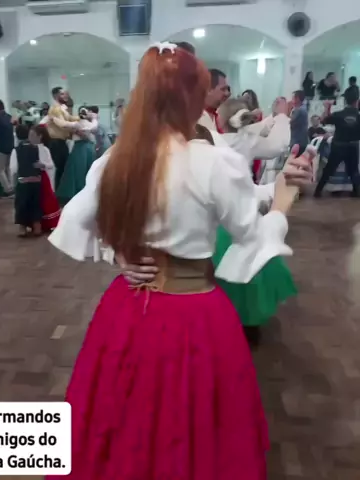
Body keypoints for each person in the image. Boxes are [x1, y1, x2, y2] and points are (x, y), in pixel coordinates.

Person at [47, 42, 313, 480]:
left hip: (129, 308)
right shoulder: (210, 161)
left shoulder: (118, 160)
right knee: (195, 421)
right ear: (192, 96)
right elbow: (251, 238)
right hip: (195, 314)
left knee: (124, 417)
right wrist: (284, 202)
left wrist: (119, 254)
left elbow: (75, 219)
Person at [211, 97, 297, 343]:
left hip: (218, 215)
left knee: (222, 270)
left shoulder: (211, 141)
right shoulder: (247, 140)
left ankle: (220, 320)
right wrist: (280, 116)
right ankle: (248, 322)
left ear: (219, 119)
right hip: (243, 207)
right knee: (249, 267)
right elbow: (278, 145)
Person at [314, 88, 360, 197]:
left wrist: (327, 107)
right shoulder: (358, 116)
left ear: (345, 100)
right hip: (353, 146)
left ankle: (317, 192)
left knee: (329, 169)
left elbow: (323, 121)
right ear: (357, 100)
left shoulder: (339, 114)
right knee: (353, 171)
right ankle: (357, 193)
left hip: (338, 146)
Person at [55, 106, 98, 206]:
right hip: (87, 148)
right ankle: (84, 192)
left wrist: (55, 119)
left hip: (81, 149)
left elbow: (64, 124)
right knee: (84, 170)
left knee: (78, 170)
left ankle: (79, 192)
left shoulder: (77, 124)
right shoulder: (90, 124)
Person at [9, 124, 44, 237]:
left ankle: (22, 228)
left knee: (21, 205)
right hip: (36, 181)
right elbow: (43, 165)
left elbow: (13, 169)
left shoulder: (16, 150)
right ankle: (37, 227)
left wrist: (12, 183)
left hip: (23, 181)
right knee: (36, 204)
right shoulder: (38, 148)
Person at [47, 87, 82, 188]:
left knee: (63, 168)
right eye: (62, 94)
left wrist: (82, 117)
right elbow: (63, 124)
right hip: (56, 142)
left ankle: (60, 190)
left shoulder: (62, 108)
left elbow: (70, 118)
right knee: (59, 168)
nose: (65, 96)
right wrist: (76, 125)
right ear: (55, 96)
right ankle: (57, 192)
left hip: (61, 142)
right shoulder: (55, 109)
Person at [28, 124, 61, 231]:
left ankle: (48, 222)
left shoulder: (44, 149)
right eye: (29, 135)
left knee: (45, 200)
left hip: (43, 179)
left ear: (40, 136)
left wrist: (42, 165)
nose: (30, 138)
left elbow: (51, 165)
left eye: (32, 135)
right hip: (31, 178)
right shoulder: (27, 149)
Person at [290, 90, 309, 155]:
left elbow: (290, 123)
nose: (291, 100)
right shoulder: (302, 109)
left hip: (297, 142)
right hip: (300, 141)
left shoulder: (299, 110)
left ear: (297, 98)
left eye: (292, 98)